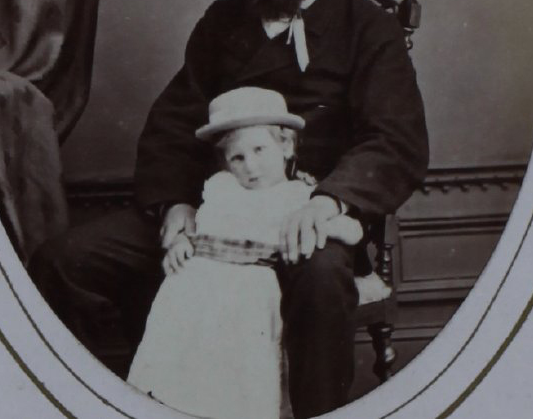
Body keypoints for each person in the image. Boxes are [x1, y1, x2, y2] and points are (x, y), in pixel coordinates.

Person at [29, 0, 428, 419]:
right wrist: (174, 206)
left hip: (305, 218)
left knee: (318, 279)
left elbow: (394, 137)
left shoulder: (369, 29)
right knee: (64, 260)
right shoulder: (223, 21)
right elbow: (173, 122)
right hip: (216, 212)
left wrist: (328, 201)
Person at [127, 86, 362, 419]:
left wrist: (329, 226)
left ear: (285, 146)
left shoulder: (298, 196)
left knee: (244, 365)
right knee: (188, 360)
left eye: (259, 150)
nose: (250, 166)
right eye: (238, 157)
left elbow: (352, 230)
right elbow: (202, 231)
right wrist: (182, 244)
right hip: (198, 288)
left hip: (251, 289)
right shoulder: (221, 190)